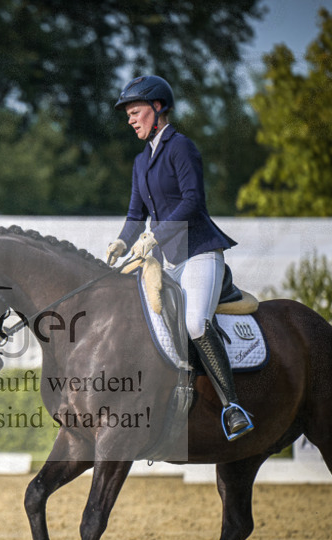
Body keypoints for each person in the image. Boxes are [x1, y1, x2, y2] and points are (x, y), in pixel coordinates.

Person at [105, 75, 253, 441]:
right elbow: (135, 215)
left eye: (135, 112)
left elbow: (192, 201)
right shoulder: (141, 161)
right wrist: (121, 242)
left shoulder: (181, 148)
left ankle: (232, 407)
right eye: (127, 115)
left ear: (158, 108)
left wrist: (155, 235)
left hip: (200, 253)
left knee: (195, 324)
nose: (130, 120)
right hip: (168, 263)